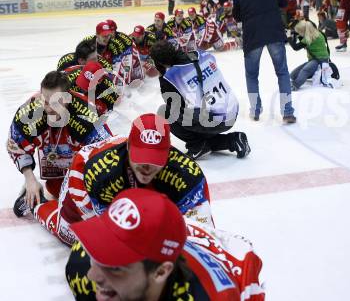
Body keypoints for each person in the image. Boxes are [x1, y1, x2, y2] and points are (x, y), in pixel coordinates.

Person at [32, 113, 213, 245]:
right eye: (141, 157)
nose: (147, 167)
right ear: (127, 146)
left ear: (169, 153)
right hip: (85, 174)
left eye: (155, 159)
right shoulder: (101, 174)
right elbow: (116, 239)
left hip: (122, 176)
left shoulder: (189, 177)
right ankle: (38, 205)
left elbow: (203, 237)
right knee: (73, 237)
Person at [66, 188, 265, 301]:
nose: (93, 276)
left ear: (160, 272)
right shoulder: (81, 263)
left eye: (116, 268)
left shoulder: (212, 297)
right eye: (97, 255)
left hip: (229, 259)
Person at [7, 71, 111, 217]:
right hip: (54, 171)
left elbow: (106, 154)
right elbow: (15, 146)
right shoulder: (29, 112)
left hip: (80, 167)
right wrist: (30, 179)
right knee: (55, 189)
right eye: (45, 101)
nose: (48, 108)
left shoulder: (87, 116)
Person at [150, 41, 250, 160]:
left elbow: (173, 106)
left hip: (214, 119)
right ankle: (233, 140)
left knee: (165, 112)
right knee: (198, 117)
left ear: (160, 63)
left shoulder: (171, 77)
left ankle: (197, 144)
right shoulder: (202, 54)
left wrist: (162, 75)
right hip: (231, 110)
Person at [233, 0, 296, 123]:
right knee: (282, 72)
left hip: (252, 36)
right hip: (274, 32)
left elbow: (237, 16)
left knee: (252, 75)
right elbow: (283, 3)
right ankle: (287, 111)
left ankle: (255, 109)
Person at [288, 19, 330, 90]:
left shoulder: (309, 38)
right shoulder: (317, 33)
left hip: (320, 61)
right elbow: (301, 41)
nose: (298, 33)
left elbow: (295, 47)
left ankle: (295, 85)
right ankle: (314, 73)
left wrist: (289, 37)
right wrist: (296, 35)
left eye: (299, 31)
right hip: (314, 60)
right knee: (293, 75)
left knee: (305, 70)